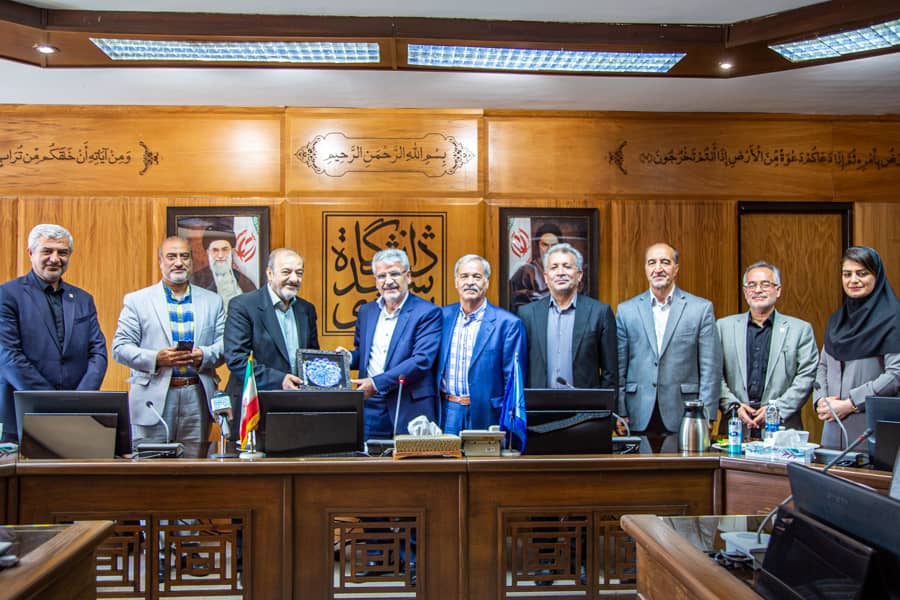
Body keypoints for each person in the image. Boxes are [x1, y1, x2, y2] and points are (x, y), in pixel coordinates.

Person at [112, 236, 225, 457]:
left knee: (194, 466)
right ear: (160, 261)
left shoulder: (213, 301)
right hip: (152, 397)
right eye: (171, 257)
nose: (178, 262)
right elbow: (120, 348)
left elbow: (225, 345)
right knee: (149, 467)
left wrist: (204, 355)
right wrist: (156, 358)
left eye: (184, 256)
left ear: (191, 261)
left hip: (196, 396)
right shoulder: (137, 301)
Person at [0, 224, 108, 443]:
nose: (55, 259)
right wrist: (52, 402)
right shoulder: (7, 295)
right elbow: (8, 356)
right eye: (47, 251)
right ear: (31, 253)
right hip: (22, 414)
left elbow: (98, 352)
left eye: (62, 252)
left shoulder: (83, 299)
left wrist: (80, 400)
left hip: (78, 416)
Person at [616, 242, 722, 451]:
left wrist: (707, 413)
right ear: (645, 269)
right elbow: (620, 366)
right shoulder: (626, 310)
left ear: (676, 268)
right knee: (638, 470)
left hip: (685, 412)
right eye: (652, 263)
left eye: (665, 262)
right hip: (637, 411)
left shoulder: (700, 309)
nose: (658, 268)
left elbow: (710, 367)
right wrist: (620, 410)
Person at [341, 248, 441, 440]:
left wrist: (376, 383)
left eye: (394, 274)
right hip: (371, 407)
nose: (388, 281)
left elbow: (421, 361)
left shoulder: (427, 312)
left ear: (408, 276)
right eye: (381, 276)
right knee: (369, 456)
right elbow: (364, 354)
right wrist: (347, 358)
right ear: (376, 281)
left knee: (409, 460)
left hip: (409, 407)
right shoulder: (366, 312)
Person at [718, 261, 818, 435]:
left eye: (765, 284)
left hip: (781, 429)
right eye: (751, 285)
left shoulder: (800, 330)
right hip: (735, 428)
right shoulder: (723, 327)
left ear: (778, 290)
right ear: (745, 292)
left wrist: (776, 409)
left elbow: (807, 375)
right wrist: (733, 406)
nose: (758, 290)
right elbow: (713, 374)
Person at [815, 246, 900, 449]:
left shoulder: (893, 319)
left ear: (877, 276)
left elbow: (896, 374)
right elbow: (823, 365)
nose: (853, 280)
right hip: (832, 430)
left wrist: (851, 403)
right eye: (847, 274)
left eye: (862, 274)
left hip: (872, 431)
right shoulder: (837, 320)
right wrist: (821, 401)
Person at [224, 248, 319, 429]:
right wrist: (280, 380)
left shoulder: (306, 310)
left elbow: (312, 357)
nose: (294, 279)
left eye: (299, 273)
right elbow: (236, 359)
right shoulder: (243, 306)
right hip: (255, 406)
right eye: (286, 272)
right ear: (269, 274)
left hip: (297, 408)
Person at [437, 254, 527, 434]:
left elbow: (512, 383)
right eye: (464, 276)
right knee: (446, 454)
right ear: (456, 282)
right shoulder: (441, 317)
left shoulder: (508, 324)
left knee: (483, 454)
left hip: (488, 414)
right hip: (447, 411)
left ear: (486, 283)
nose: (470, 282)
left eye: (476, 277)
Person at [519, 242, 616, 389]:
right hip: (538, 403)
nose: (560, 272)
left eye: (567, 266)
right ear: (546, 277)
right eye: (554, 267)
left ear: (579, 275)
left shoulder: (600, 313)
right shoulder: (527, 315)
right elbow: (520, 368)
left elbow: (610, 373)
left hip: (585, 403)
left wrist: (602, 403)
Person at [190, 231, 256, 310]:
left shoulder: (246, 282)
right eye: (215, 250)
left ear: (232, 251)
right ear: (208, 252)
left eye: (225, 250)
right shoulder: (195, 280)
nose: (220, 255)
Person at [509, 223, 561, 313]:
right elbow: (517, 305)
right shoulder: (525, 272)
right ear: (538, 246)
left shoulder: (567, 271)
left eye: (554, 246)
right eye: (545, 245)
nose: (549, 249)